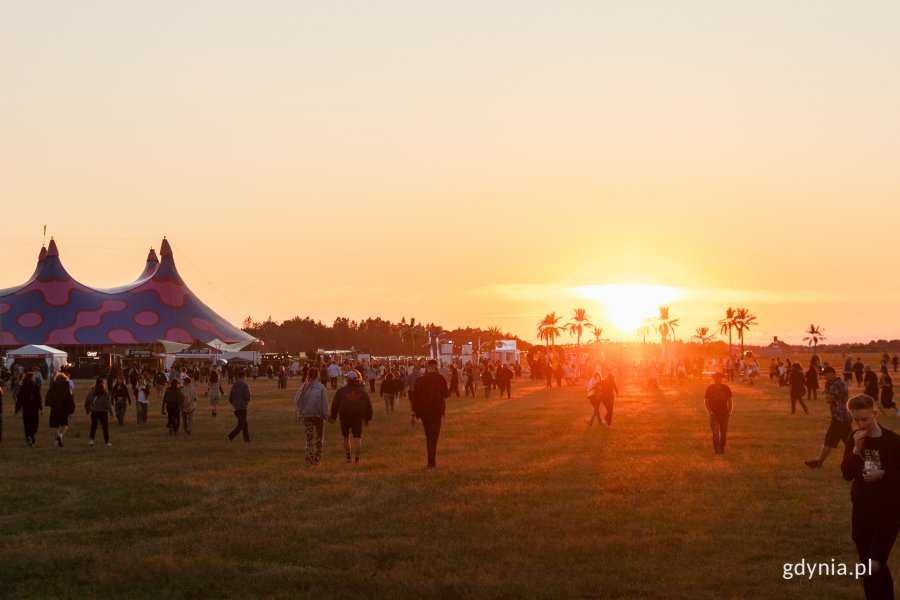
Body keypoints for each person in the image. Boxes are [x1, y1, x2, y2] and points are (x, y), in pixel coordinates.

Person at [840, 394, 900, 599]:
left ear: (875, 413)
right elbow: (847, 474)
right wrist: (856, 449)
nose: (861, 423)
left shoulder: (892, 441)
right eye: (857, 420)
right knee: (866, 567)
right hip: (862, 511)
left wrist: (882, 473)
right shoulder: (855, 439)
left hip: (888, 512)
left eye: (865, 418)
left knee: (876, 562)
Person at [806, 366, 852, 468]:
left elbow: (828, 399)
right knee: (850, 444)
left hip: (839, 418)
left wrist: (827, 390)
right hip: (846, 417)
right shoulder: (840, 383)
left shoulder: (836, 385)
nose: (825, 377)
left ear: (832, 373)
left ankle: (819, 463)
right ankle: (861, 462)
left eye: (826, 375)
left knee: (829, 441)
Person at [411, 359, 449, 470]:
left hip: (424, 412)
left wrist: (413, 413)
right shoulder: (440, 379)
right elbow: (446, 394)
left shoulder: (420, 381)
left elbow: (415, 399)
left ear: (427, 367)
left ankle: (431, 462)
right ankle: (431, 463)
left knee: (428, 437)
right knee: (434, 438)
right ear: (436, 367)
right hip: (436, 412)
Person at [328, 370, 372, 464]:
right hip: (358, 417)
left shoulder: (341, 391)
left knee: (346, 437)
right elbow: (368, 405)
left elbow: (335, 404)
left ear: (348, 379)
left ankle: (348, 458)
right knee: (357, 437)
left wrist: (333, 417)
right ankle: (357, 459)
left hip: (344, 416)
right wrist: (367, 418)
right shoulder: (363, 391)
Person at [294, 367, 329, 466]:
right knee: (319, 438)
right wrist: (326, 414)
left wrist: (302, 410)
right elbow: (324, 403)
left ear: (308, 375)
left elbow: (297, 400)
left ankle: (309, 459)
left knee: (309, 439)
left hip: (307, 416)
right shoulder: (321, 387)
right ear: (318, 375)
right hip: (318, 416)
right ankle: (317, 460)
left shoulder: (304, 387)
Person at [704, 372, 733, 454]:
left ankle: (722, 449)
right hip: (714, 415)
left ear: (721, 378)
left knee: (723, 434)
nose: (718, 379)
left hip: (724, 415)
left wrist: (729, 412)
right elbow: (706, 402)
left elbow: (730, 401)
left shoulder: (726, 388)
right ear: (713, 379)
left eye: (719, 378)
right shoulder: (709, 388)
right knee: (715, 434)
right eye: (716, 378)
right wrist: (710, 412)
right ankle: (716, 451)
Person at [45, 372, 75, 447]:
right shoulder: (66, 385)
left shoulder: (53, 385)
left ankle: (56, 441)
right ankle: (60, 436)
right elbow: (69, 397)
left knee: (55, 426)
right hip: (63, 408)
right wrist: (70, 409)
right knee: (65, 425)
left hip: (54, 408)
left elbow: (49, 395)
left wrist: (49, 403)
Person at [14, 372, 43, 446]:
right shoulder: (35, 386)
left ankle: (28, 436)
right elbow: (38, 398)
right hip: (34, 408)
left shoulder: (23, 387)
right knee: (34, 423)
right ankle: (31, 437)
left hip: (26, 408)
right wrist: (41, 408)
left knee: (27, 424)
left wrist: (17, 409)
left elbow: (20, 399)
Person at [84, 377, 113, 446]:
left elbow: (86, 402)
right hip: (103, 412)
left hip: (94, 411)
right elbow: (108, 404)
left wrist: (87, 410)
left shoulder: (91, 392)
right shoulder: (105, 393)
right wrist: (111, 413)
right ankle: (106, 442)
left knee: (93, 426)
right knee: (105, 427)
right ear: (103, 384)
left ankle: (91, 440)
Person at [226, 369, 251, 443]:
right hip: (242, 407)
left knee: (244, 424)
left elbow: (230, 398)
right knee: (241, 425)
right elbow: (248, 397)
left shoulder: (234, 385)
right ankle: (230, 437)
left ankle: (247, 440)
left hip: (236, 408)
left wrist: (234, 404)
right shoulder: (245, 385)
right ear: (244, 376)